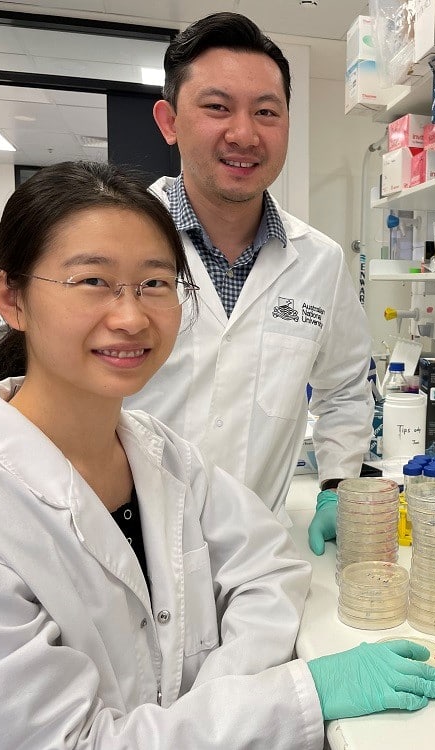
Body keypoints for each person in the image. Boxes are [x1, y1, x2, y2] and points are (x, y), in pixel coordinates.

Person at [0, 162, 435, 748]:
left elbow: (271, 569)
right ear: (11, 299)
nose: (130, 317)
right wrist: (282, 701)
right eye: (91, 282)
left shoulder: (161, 456)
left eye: (155, 283)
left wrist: (220, 704)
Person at [127, 11, 372, 555]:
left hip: (256, 557)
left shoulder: (319, 261)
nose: (244, 134)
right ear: (169, 121)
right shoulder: (116, 243)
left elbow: (347, 387)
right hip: (124, 548)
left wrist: (337, 486)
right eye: (217, 107)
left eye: (266, 112)